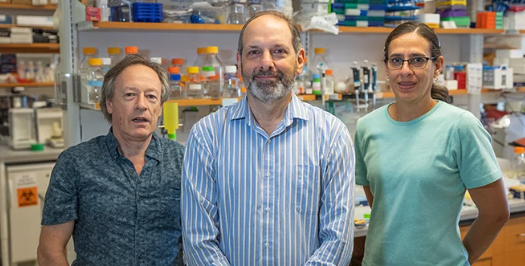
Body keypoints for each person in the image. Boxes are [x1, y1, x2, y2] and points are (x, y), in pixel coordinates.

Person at [181, 10, 355, 266]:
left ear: (300, 59)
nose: (266, 63)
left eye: (278, 51)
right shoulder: (206, 136)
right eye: (254, 52)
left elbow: (338, 239)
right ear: (239, 62)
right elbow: (198, 239)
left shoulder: (332, 135)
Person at [354, 22, 510, 265]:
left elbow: (496, 213)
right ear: (386, 67)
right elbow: (383, 207)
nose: (405, 70)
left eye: (417, 60)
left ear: (437, 66)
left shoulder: (460, 127)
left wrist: (458, 259)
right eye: (396, 60)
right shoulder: (367, 127)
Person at [37, 54, 185, 266]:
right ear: (109, 104)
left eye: (151, 97)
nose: (141, 105)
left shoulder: (184, 161)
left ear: (160, 108)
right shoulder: (75, 163)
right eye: (130, 95)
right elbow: (49, 250)